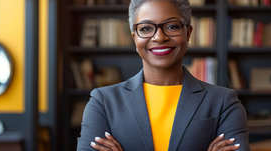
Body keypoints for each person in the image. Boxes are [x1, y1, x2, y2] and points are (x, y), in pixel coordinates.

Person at [77, 0, 249, 150]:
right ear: (134, 38)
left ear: (187, 33)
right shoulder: (103, 102)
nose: (159, 37)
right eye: (145, 28)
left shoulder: (224, 102)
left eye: (172, 26)